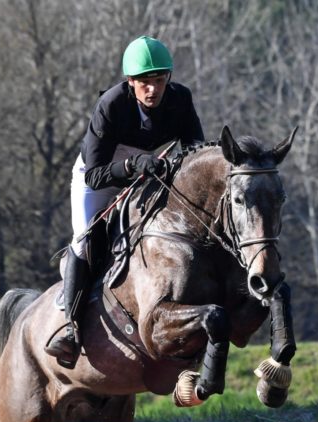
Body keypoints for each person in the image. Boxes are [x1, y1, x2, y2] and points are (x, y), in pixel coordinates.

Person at [46, 35, 205, 369]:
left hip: (149, 175)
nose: (153, 90)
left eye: (159, 81)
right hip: (101, 176)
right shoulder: (112, 105)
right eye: (145, 83)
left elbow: (195, 152)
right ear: (130, 83)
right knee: (85, 238)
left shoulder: (180, 99)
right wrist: (133, 166)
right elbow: (94, 175)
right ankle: (70, 328)